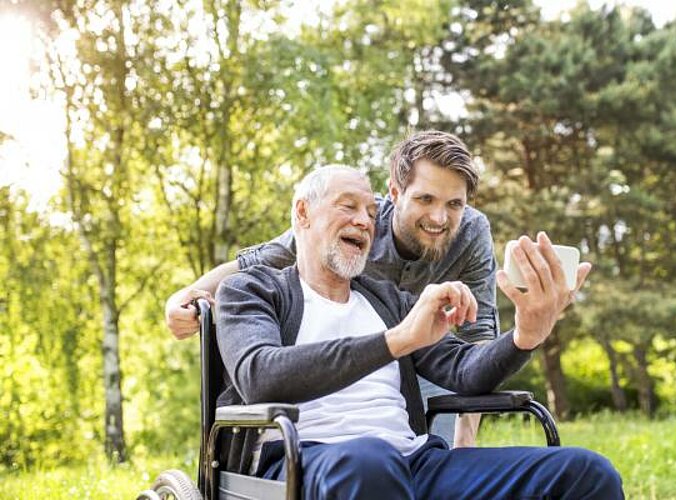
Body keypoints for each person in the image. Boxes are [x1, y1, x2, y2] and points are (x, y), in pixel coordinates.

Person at [214, 166, 622, 499]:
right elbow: (260, 376)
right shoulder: (253, 290)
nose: (364, 221)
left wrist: (525, 336)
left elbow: (464, 371)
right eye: (348, 206)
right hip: (302, 462)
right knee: (371, 461)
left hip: (414, 463)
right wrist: (396, 341)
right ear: (302, 213)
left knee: (586, 472)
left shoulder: (389, 301)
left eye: (372, 213)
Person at [166, 130, 498, 447]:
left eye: (454, 204)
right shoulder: (357, 222)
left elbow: (477, 334)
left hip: (425, 357)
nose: (439, 217)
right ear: (395, 195)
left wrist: (465, 441)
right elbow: (258, 260)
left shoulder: (471, 232)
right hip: (344, 359)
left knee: (436, 449)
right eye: (425, 199)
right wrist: (187, 294)